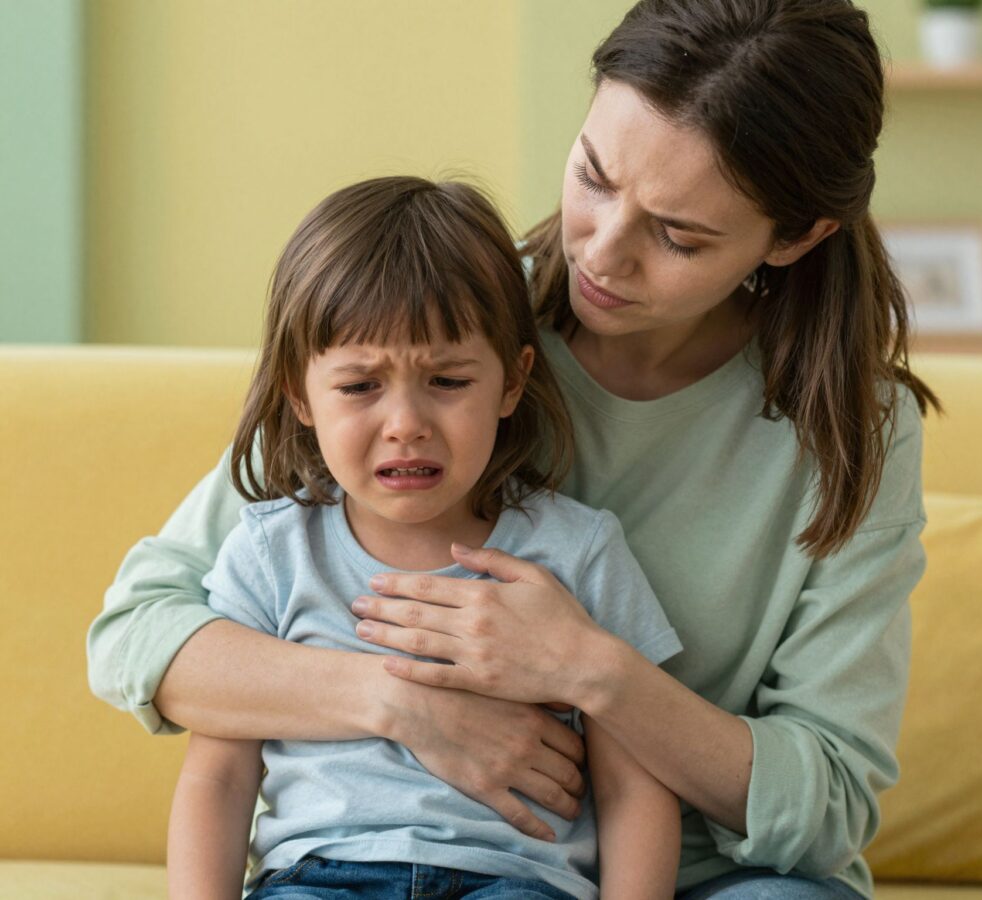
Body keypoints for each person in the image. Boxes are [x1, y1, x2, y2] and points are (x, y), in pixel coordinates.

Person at [89, 2, 939, 897]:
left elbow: (831, 801)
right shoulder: (446, 335)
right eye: (594, 178)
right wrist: (404, 706)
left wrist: (595, 672)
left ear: (796, 237)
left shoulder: (853, 429)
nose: (602, 255)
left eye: (678, 235)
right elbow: (137, 635)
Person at [164, 176, 683, 900]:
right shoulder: (269, 554)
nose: (405, 422)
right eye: (359, 386)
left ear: (510, 383)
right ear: (297, 394)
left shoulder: (579, 551)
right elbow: (217, 777)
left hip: (513, 882)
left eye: (445, 380)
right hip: (319, 881)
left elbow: (634, 789)